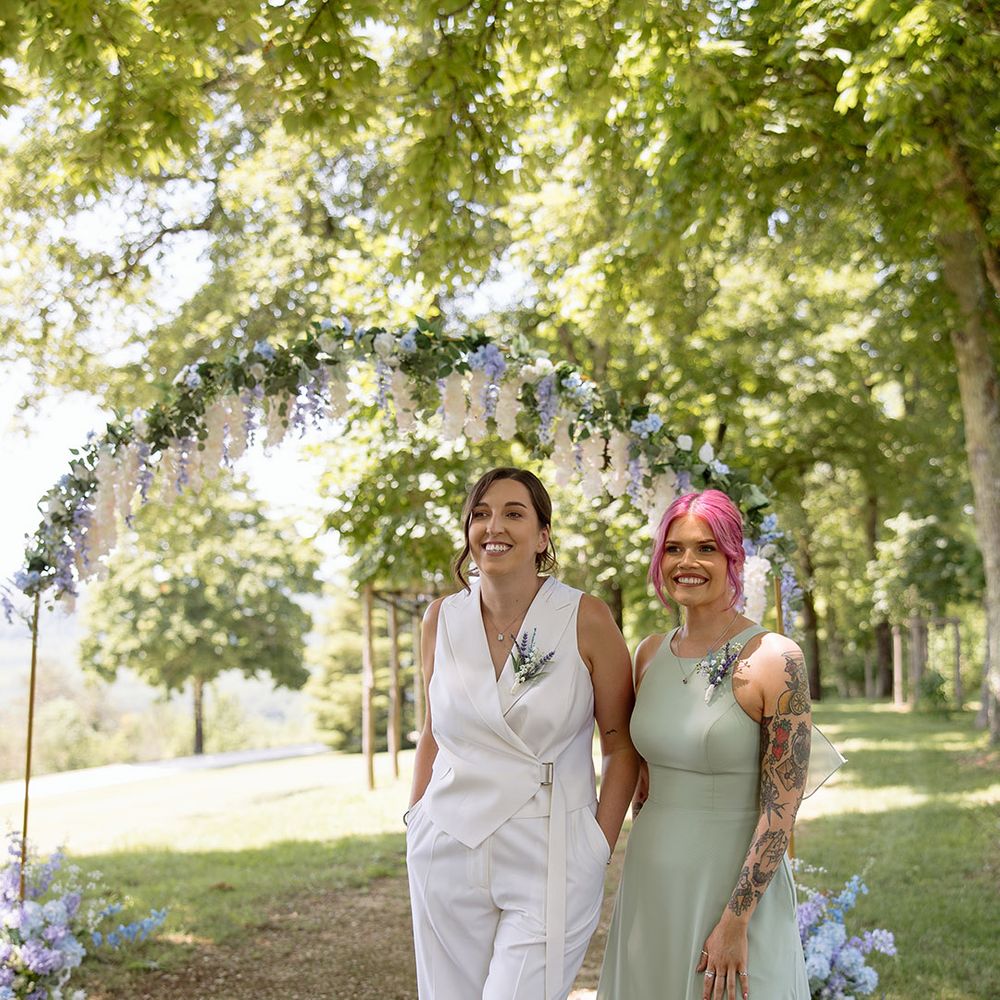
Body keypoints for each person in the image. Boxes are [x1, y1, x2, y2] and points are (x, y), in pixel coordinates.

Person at [406, 467, 639, 1000]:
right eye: (481, 514)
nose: (495, 527)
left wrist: (596, 844)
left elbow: (621, 744)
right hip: (448, 842)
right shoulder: (441, 619)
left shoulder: (585, 617)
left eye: (514, 513)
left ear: (542, 536)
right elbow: (431, 734)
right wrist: (415, 821)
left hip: (552, 843)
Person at [597, 489, 811, 1000]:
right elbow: (642, 774)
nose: (687, 562)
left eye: (706, 548)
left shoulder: (776, 659)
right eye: (674, 548)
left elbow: (783, 806)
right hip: (653, 879)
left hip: (732, 887)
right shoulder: (648, 654)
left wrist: (736, 920)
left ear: (733, 557)